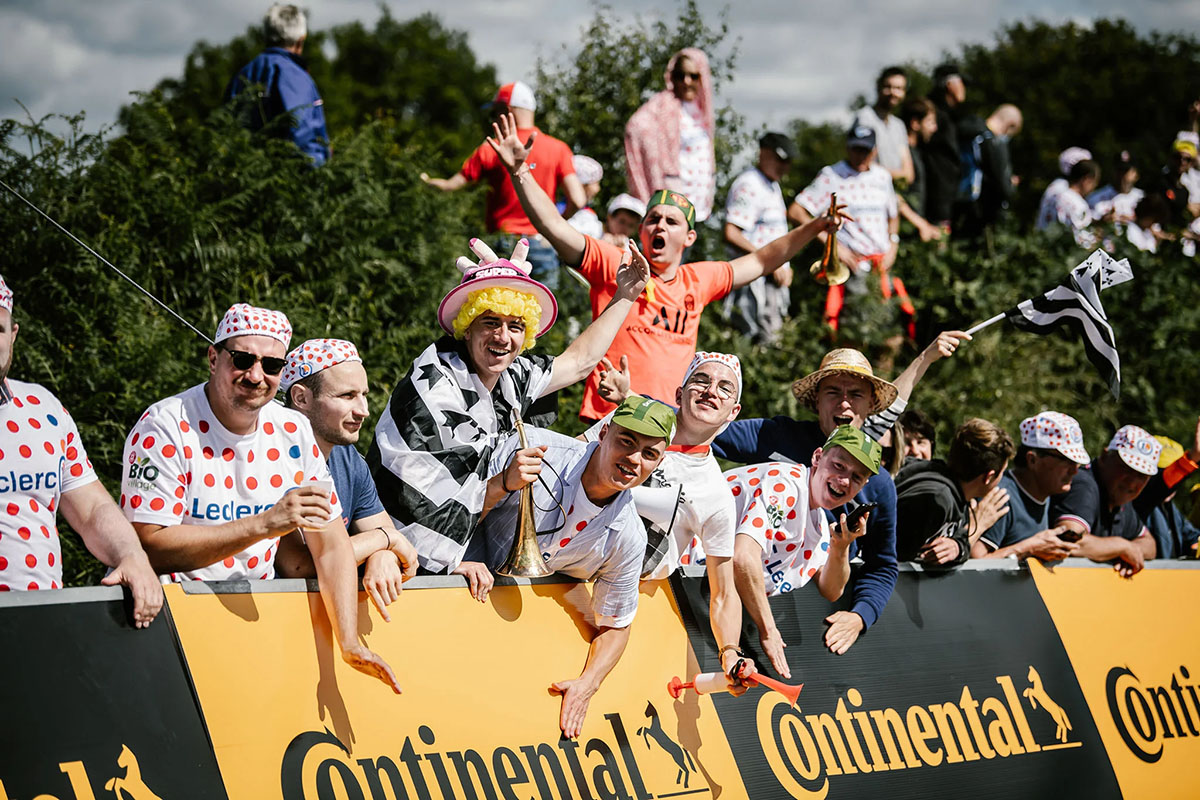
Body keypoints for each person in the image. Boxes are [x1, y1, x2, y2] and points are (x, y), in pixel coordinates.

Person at [487, 112, 843, 421]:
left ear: (688, 238)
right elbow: (555, 226)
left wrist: (814, 227)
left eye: (671, 222)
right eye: (653, 219)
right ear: (642, 230)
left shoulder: (699, 279)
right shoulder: (617, 263)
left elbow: (764, 259)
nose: (659, 226)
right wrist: (520, 171)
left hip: (670, 426)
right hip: (612, 418)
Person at [121, 304, 399, 690]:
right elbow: (147, 545)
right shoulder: (165, 425)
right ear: (214, 358)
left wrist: (348, 641)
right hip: (171, 625)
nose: (255, 375)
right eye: (242, 359)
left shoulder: (293, 430)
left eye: (270, 365)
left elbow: (331, 547)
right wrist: (263, 524)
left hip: (258, 624)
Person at [367, 237, 648, 596]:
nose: (503, 337)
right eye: (490, 322)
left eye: (515, 326)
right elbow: (416, 497)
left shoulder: (511, 376)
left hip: (463, 547)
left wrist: (626, 295)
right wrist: (500, 488)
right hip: (395, 553)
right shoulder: (434, 382)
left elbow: (579, 363)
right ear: (467, 327)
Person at [476, 394, 674, 738]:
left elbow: (616, 624)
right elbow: (449, 503)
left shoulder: (629, 536)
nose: (633, 459)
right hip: (442, 574)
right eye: (626, 441)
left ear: (658, 463)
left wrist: (588, 684)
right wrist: (462, 556)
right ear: (604, 432)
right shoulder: (534, 448)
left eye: (649, 454)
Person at [713, 348, 899, 655]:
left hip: (788, 620)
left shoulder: (876, 488)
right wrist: (631, 401)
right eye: (833, 392)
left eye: (855, 394)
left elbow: (880, 564)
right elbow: (705, 428)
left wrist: (860, 616)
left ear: (870, 405)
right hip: (711, 584)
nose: (844, 402)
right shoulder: (779, 445)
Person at [0, 276, 162, 624]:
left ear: (12, 335)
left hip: (40, 623)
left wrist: (131, 554)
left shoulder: (43, 408)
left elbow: (91, 509)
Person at [583, 352, 750, 682]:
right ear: (678, 394)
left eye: (724, 388)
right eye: (701, 381)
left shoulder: (716, 493)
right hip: (559, 578)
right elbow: (567, 463)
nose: (710, 391)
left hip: (620, 615)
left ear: (734, 412)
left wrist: (730, 650)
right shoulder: (629, 423)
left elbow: (724, 593)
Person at [703, 425, 880, 678]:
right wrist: (769, 630)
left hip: (709, 600)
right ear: (818, 457)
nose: (844, 482)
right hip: (673, 583)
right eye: (839, 466)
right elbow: (742, 557)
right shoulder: (784, 484)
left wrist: (841, 546)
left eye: (856, 477)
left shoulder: (818, 519)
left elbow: (832, 590)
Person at [276, 339, 419, 619]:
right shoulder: (271, 455)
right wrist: (384, 540)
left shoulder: (349, 458)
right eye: (346, 396)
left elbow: (390, 540)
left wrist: (382, 553)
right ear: (301, 398)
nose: (364, 410)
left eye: (363, 394)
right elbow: (300, 565)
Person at [421, 81, 585, 290]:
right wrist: (554, 227)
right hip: (541, 243)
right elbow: (578, 199)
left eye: (495, 112)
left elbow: (451, 185)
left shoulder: (493, 147)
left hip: (499, 244)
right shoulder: (558, 149)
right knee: (541, 316)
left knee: (495, 311)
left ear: (505, 111)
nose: (493, 119)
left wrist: (428, 183)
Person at [789, 126, 911, 339]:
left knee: (891, 336)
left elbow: (893, 214)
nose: (861, 156)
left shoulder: (882, 176)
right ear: (847, 148)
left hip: (882, 267)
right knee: (856, 337)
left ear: (875, 150)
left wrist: (894, 244)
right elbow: (796, 211)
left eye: (866, 150)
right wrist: (833, 246)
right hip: (853, 268)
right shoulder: (831, 175)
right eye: (856, 149)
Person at [894, 419, 1014, 566]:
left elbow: (960, 540)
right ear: (988, 477)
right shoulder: (935, 500)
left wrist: (957, 546)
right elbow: (894, 557)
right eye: (1002, 472)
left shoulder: (955, 495)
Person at [972, 412, 1087, 563]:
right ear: (1032, 460)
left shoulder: (1047, 494)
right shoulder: (1001, 497)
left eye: (1077, 462)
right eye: (1065, 460)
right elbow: (974, 564)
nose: (1075, 470)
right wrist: (1028, 548)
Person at [226, 4, 330, 166]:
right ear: (300, 40)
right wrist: (316, 165)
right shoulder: (294, 75)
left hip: (244, 173)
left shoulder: (243, 75)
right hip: (289, 180)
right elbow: (300, 132)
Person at [1050, 425, 1160, 577]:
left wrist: (1129, 550)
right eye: (1127, 468)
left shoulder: (1118, 497)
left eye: (1142, 475)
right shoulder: (1084, 486)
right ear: (1104, 457)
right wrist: (1121, 547)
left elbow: (1150, 544)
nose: (1132, 482)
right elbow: (1068, 543)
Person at [625, 48, 717, 224]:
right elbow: (635, 127)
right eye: (680, 76)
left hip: (699, 201)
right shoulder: (663, 106)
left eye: (693, 76)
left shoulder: (704, 111)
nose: (686, 81)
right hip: (672, 198)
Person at [723, 132, 796, 343]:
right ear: (763, 153)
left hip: (771, 279)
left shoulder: (771, 184)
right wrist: (770, 261)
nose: (784, 167)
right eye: (779, 160)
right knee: (752, 341)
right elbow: (731, 232)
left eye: (788, 162)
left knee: (772, 341)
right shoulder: (749, 184)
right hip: (754, 280)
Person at [953, 104, 1023, 237]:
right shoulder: (992, 142)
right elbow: (1002, 185)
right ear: (1010, 125)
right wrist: (1011, 184)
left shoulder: (966, 131)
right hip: (977, 211)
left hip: (954, 199)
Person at [853, 67, 915, 185]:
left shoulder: (899, 126)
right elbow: (861, 164)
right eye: (888, 87)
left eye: (898, 88)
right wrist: (899, 175)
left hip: (894, 193)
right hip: (869, 189)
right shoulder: (864, 118)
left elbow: (909, 175)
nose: (893, 92)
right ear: (879, 88)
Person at [923, 63, 968, 229]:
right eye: (962, 83)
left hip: (946, 196)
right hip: (938, 200)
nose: (964, 89)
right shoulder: (933, 114)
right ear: (950, 85)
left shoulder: (947, 115)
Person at [1144, 436, 1200, 560]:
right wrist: (1192, 459)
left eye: (1178, 479)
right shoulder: (1137, 505)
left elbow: (1191, 536)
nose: (1171, 484)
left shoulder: (1171, 508)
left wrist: (1195, 546)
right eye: (1161, 474)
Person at [899, 97, 943, 240]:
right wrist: (921, 224)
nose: (934, 128)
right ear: (915, 123)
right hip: (902, 233)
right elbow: (894, 195)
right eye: (930, 122)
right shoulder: (901, 152)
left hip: (915, 230)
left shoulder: (918, 151)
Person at [1036, 159, 1101, 247]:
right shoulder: (1078, 204)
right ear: (1087, 179)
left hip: (1042, 248)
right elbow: (1083, 243)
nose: (1093, 188)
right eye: (1094, 183)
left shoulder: (1055, 195)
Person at [1087, 152, 1142, 225]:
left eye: (1126, 171)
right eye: (1119, 170)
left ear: (1136, 175)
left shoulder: (1142, 199)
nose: (1121, 175)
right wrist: (1101, 222)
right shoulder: (1094, 198)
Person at [566, 155, 605, 239]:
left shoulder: (588, 215)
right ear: (582, 185)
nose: (597, 189)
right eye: (595, 183)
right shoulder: (559, 209)